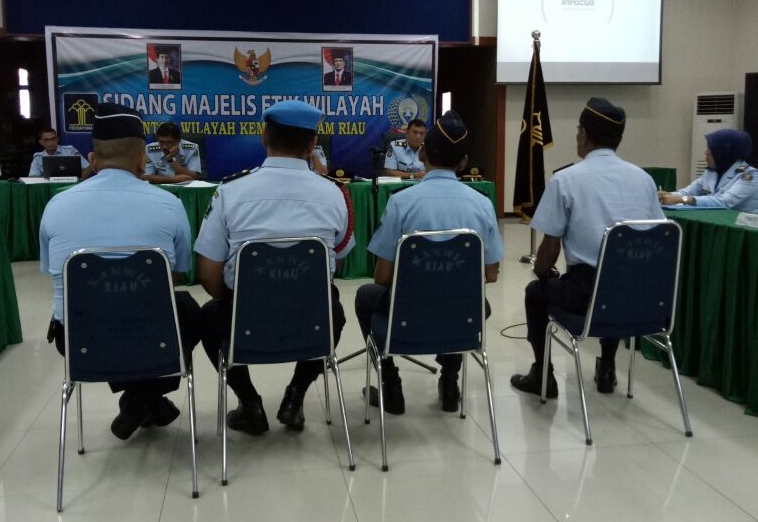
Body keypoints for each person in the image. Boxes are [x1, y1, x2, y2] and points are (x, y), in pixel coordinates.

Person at [39, 103, 202, 440]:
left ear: (92, 159)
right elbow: (173, 277)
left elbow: (53, 274)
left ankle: (137, 402)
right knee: (186, 309)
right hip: (153, 336)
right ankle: (144, 400)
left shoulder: (55, 205)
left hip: (79, 341)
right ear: (142, 158)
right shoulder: (170, 205)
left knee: (120, 317)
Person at [194, 99, 355, 435]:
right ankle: (296, 395)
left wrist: (240, 300)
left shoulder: (230, 192)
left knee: (209, 316)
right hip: (311, 320)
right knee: (333, 310)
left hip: (244, 321)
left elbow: (208, 276)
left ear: (264, 136)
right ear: (313, 144)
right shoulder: (335, 194)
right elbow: (336, 263)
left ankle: (250, 403)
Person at [510, 97, 665, 399]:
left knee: (536, 293)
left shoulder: (565, 180)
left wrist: (542, 272)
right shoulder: (644, 180)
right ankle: (607, 366)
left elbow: (550, 248)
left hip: (587, 293)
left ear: (583, 134)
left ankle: (542, 375)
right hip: (640, 296)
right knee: (616, 277)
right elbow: (658, 235)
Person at [356, 110, 504, 414]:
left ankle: (390, 384)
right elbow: (491, 274)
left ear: (422, 153)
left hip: (407, 315)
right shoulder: (482, 204)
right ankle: (450, 380)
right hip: (461, 314)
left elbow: (382, 278)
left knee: (365, 296)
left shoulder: (401, 202)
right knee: (469, 303)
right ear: (463, 162)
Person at [658, 129, 758, 213]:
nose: (706, 152)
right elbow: (688, 191)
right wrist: (666, 196)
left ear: (723, 152)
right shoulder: (712, 172)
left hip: (742, 226)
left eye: (711, 149)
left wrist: (683, 199)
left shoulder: (750, 176)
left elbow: (725, 202)